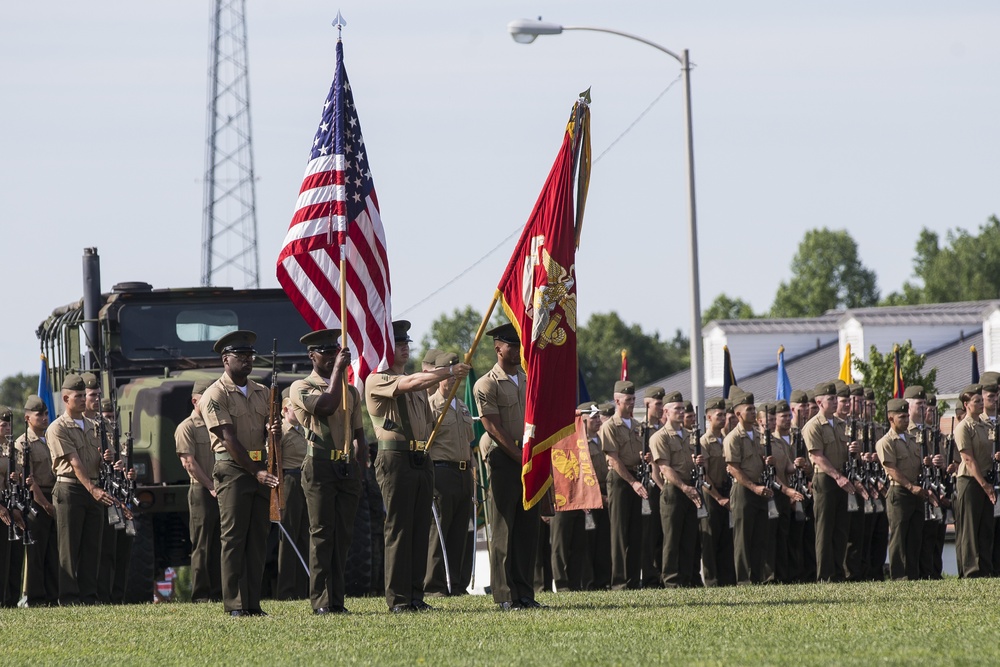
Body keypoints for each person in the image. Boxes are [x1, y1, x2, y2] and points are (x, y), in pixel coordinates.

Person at [368, 320, 471, 612]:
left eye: (406, 344)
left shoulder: (416, 387)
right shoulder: (378, 379)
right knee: (399, 529)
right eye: (399, 344)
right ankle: (398, 598)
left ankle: (416, 595)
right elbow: (412, 382)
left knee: (418, 529)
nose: (405, 348)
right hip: (395, 457)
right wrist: (450, 371)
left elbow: (425, 420)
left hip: (419, 458)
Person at [199, 330, 279, 616]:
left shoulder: (260, 391)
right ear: (225, 360)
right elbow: (228, 438)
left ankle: (253, 603)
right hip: (233, 469)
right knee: (233, 538)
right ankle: (234, 604)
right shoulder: (215, 394)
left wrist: (272, 432)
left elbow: (266, 430)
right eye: (241, 356)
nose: (247, 360)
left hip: (260, 466)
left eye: (250, 356)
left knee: (257, 538)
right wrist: (257, 472)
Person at [289, 328, 365, 615]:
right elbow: (326, 405)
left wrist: (360, 465)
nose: (332, 356)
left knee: (343, 535)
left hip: (345, 466)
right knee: (322, 533)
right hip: (319, 464)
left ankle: (337, 599)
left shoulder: (351, 392)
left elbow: (359, 434)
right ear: (312, 356)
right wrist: (339, 371)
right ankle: (321, 601)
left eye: (335, 351)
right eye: (326, 352)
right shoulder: (301, 387)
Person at [473, 323, 541, 610]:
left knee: (527, 530)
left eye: (519, 345)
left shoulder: (527, 380)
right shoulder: (486, 384)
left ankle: (525, 593)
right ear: (497, 347)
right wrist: (519, 456)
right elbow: (492, 427)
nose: (517, 351)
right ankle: (504, 595)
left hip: (528, 458)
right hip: (504, 458)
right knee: (503, 529)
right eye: (511, 345)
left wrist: (533, 458)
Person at [48, 374, 115, 605]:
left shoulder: (94, 426)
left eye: (81, 396)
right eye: (77, 396)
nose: (81, 400)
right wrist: (93, 489)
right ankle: (68, 598)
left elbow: (100, 458)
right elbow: (74, 461)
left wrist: (107, 457)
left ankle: (89, 596)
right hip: (71, 489)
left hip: (93, 487)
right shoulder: (58, 427)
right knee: (68, 547)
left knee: (91, 547)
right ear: (66, 398)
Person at [425, 351, 475, 597]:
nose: (454, 380)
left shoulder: (463, 406)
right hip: (442, 472)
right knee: (440, 531)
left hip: (464, 472)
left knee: (461, 531)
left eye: (458, 375)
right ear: (440, 376)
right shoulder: (430, 405)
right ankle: (435, 585)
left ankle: (457, 584)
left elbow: (469, 443)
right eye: (450, 375)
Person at [650, 390, 703, 588]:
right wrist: (684, 487)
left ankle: (686, 578)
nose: (681, 412)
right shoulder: (660, 437)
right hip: (674, 489)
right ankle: (672, 580)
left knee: (689, 537)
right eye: (677, 409)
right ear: (666, 411)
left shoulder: (690, 435)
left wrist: (699, 462)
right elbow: (664, 467)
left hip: (690, 486)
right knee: (671, 538)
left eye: (682, 408)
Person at [175, 378, 221, 603]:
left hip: (222, 491)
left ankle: (219, 592)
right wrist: (211, 486)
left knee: (221, 543)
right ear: (195, 400)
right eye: (207, 397)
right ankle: (201, 595)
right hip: (202, 492)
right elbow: (189, 463)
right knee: (202, 544)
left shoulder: (218, 425)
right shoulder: (187, 427)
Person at [599, 379, 647, 590]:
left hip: (637, 477)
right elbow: (613, 459)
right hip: (620, 480)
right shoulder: (610, 426)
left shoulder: (638, 427)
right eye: (628, 400)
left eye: (633, 399)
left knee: (636, 532)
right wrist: (633, 482)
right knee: (619, 533)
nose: (631, 403)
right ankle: (619, 582)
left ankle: (634, 580)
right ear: (617, 400)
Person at [877, 398, 931, 580]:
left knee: (915, 535)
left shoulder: (912, 439)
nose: (906, 419)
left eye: (907, 416)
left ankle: (913, 575)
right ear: (890, 418)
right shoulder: (886, 442)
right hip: (900, 492)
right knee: (899, 536)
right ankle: (899, 576)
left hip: (916, 491)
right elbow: (891, 469)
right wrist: (910, 487)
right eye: (901, 416)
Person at [724, 390, 773, 585]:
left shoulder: (759, 435)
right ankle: (743, 580)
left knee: (760, 536)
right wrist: (754, 488)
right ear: (738, 414)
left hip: (760, 489)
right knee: (743, 538)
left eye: (754, 409)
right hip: (744, 490)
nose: (753, 412)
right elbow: (734, 468)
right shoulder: (733, 438)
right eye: (749, 409)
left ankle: (758, 577)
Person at [17, 396, 57, 607]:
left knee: (53, 551)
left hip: (54, 495)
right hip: (36, 500)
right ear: (27, 418)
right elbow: (28, 480)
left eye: (45, 413)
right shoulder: (24, 443)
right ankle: (36, 597)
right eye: (38, 414)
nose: (43, 417)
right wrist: (45, 504)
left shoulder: (50, 438)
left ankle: (52, 596)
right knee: (36, 552)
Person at [953, 384, 995, 578]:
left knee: (985, 526)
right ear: (966, 404)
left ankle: (985, 568)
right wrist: (985, 486)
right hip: (970, 481)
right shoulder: (963, 427)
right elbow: (968, 459)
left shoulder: (986, 426)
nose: (980, 404)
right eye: (976, 401)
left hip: (986, 479)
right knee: (969, 529)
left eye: (981, 400)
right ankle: (971, 571)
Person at [276, 392, 310, 600]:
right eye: (294, 408)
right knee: (288, 537)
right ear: (285, 409)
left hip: (306, 480)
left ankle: (302, 589)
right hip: (289, 481)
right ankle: (286, 591)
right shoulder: (280, 431)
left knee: (304, 536)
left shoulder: (303, 430)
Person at [699, 397, 735, 587]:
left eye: (724, 415)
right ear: (709, 417)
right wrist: (718, 497)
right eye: (718, 415)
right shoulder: (704, 442)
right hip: (711, 494)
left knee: (727, 538)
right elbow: (703, 475)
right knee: (711, 539)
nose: (722, 418)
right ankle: (712, 581)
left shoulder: (727, 439)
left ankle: (727, 579)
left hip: (727, 491)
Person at [640, 386, 665, 589]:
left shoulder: (664, 430)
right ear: (647, 405)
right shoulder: (641, 429)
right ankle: (649, 576)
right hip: (649, 486)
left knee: (663, 533)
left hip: (664, 484)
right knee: (649, 533)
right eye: (658, 404)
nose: (661, 407)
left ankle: (661, 573)